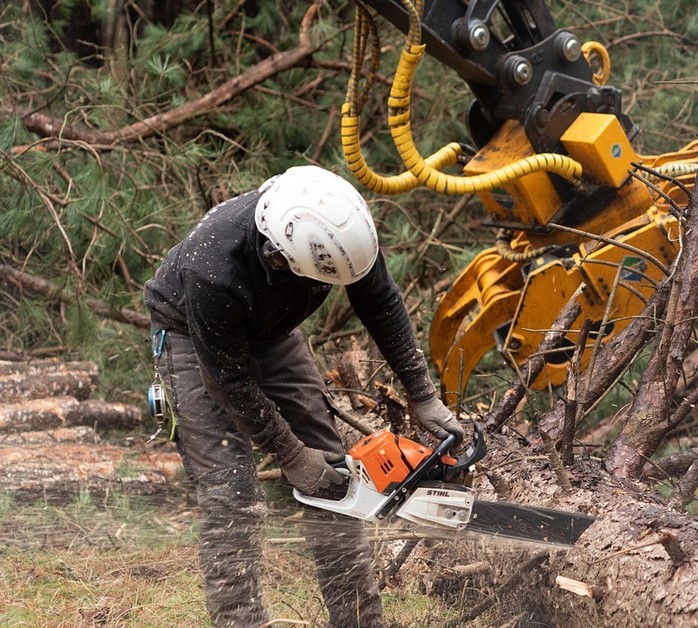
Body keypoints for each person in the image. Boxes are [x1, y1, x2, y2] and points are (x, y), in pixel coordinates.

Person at [144, 164, 464, 627]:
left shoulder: (340, 232)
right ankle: (241, 620)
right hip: (192, 339)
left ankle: (358, 619)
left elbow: (381, 303)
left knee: (335, 477)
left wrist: (423, 394)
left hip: (272, 334)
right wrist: (290, 453)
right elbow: (226, 381)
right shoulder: (212, 266)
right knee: (231, 494)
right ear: (278, 256)